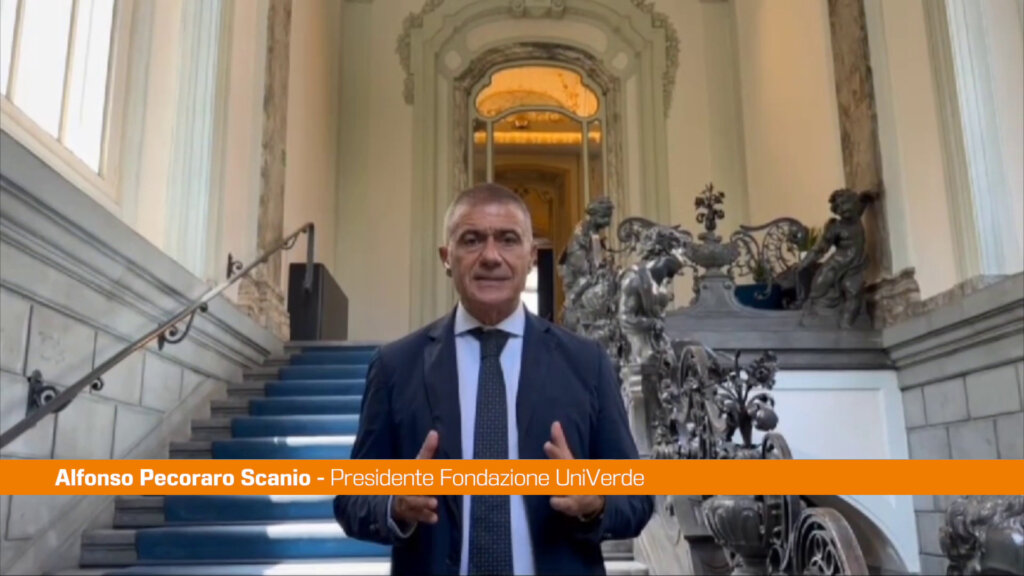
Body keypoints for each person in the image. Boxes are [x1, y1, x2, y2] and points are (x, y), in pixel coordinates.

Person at [333, 183, 654, 575]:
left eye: (508, 239)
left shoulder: (587, 363)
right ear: (446, 257)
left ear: (531, 257)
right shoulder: (395, 367)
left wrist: (597, 501)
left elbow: (637, 499)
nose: (490, 256)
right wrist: (394, 504)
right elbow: (352, 500)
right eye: (471, 240)